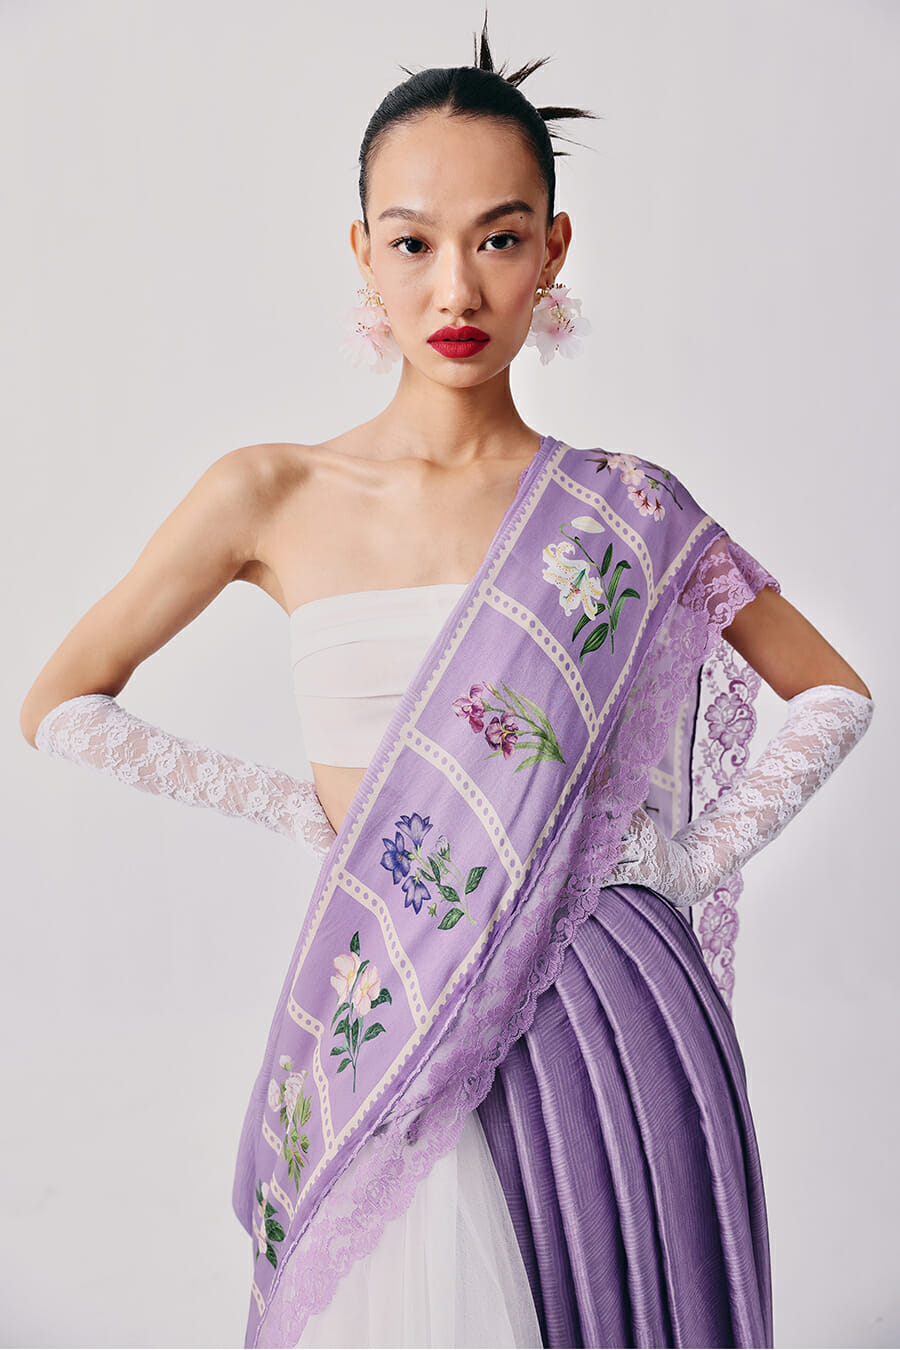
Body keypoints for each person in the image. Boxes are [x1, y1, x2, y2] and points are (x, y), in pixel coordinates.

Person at [19, 16, 873, 1350]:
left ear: (554, 250)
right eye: (414, 243)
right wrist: (313, 814)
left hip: (612, 1015)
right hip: (390, 998)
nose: (456, 289)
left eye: (500, 238)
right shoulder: (269, 491)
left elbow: (833, 692)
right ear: (362, 252)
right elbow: (63, 704)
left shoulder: (625, 510)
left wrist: (684, 864)